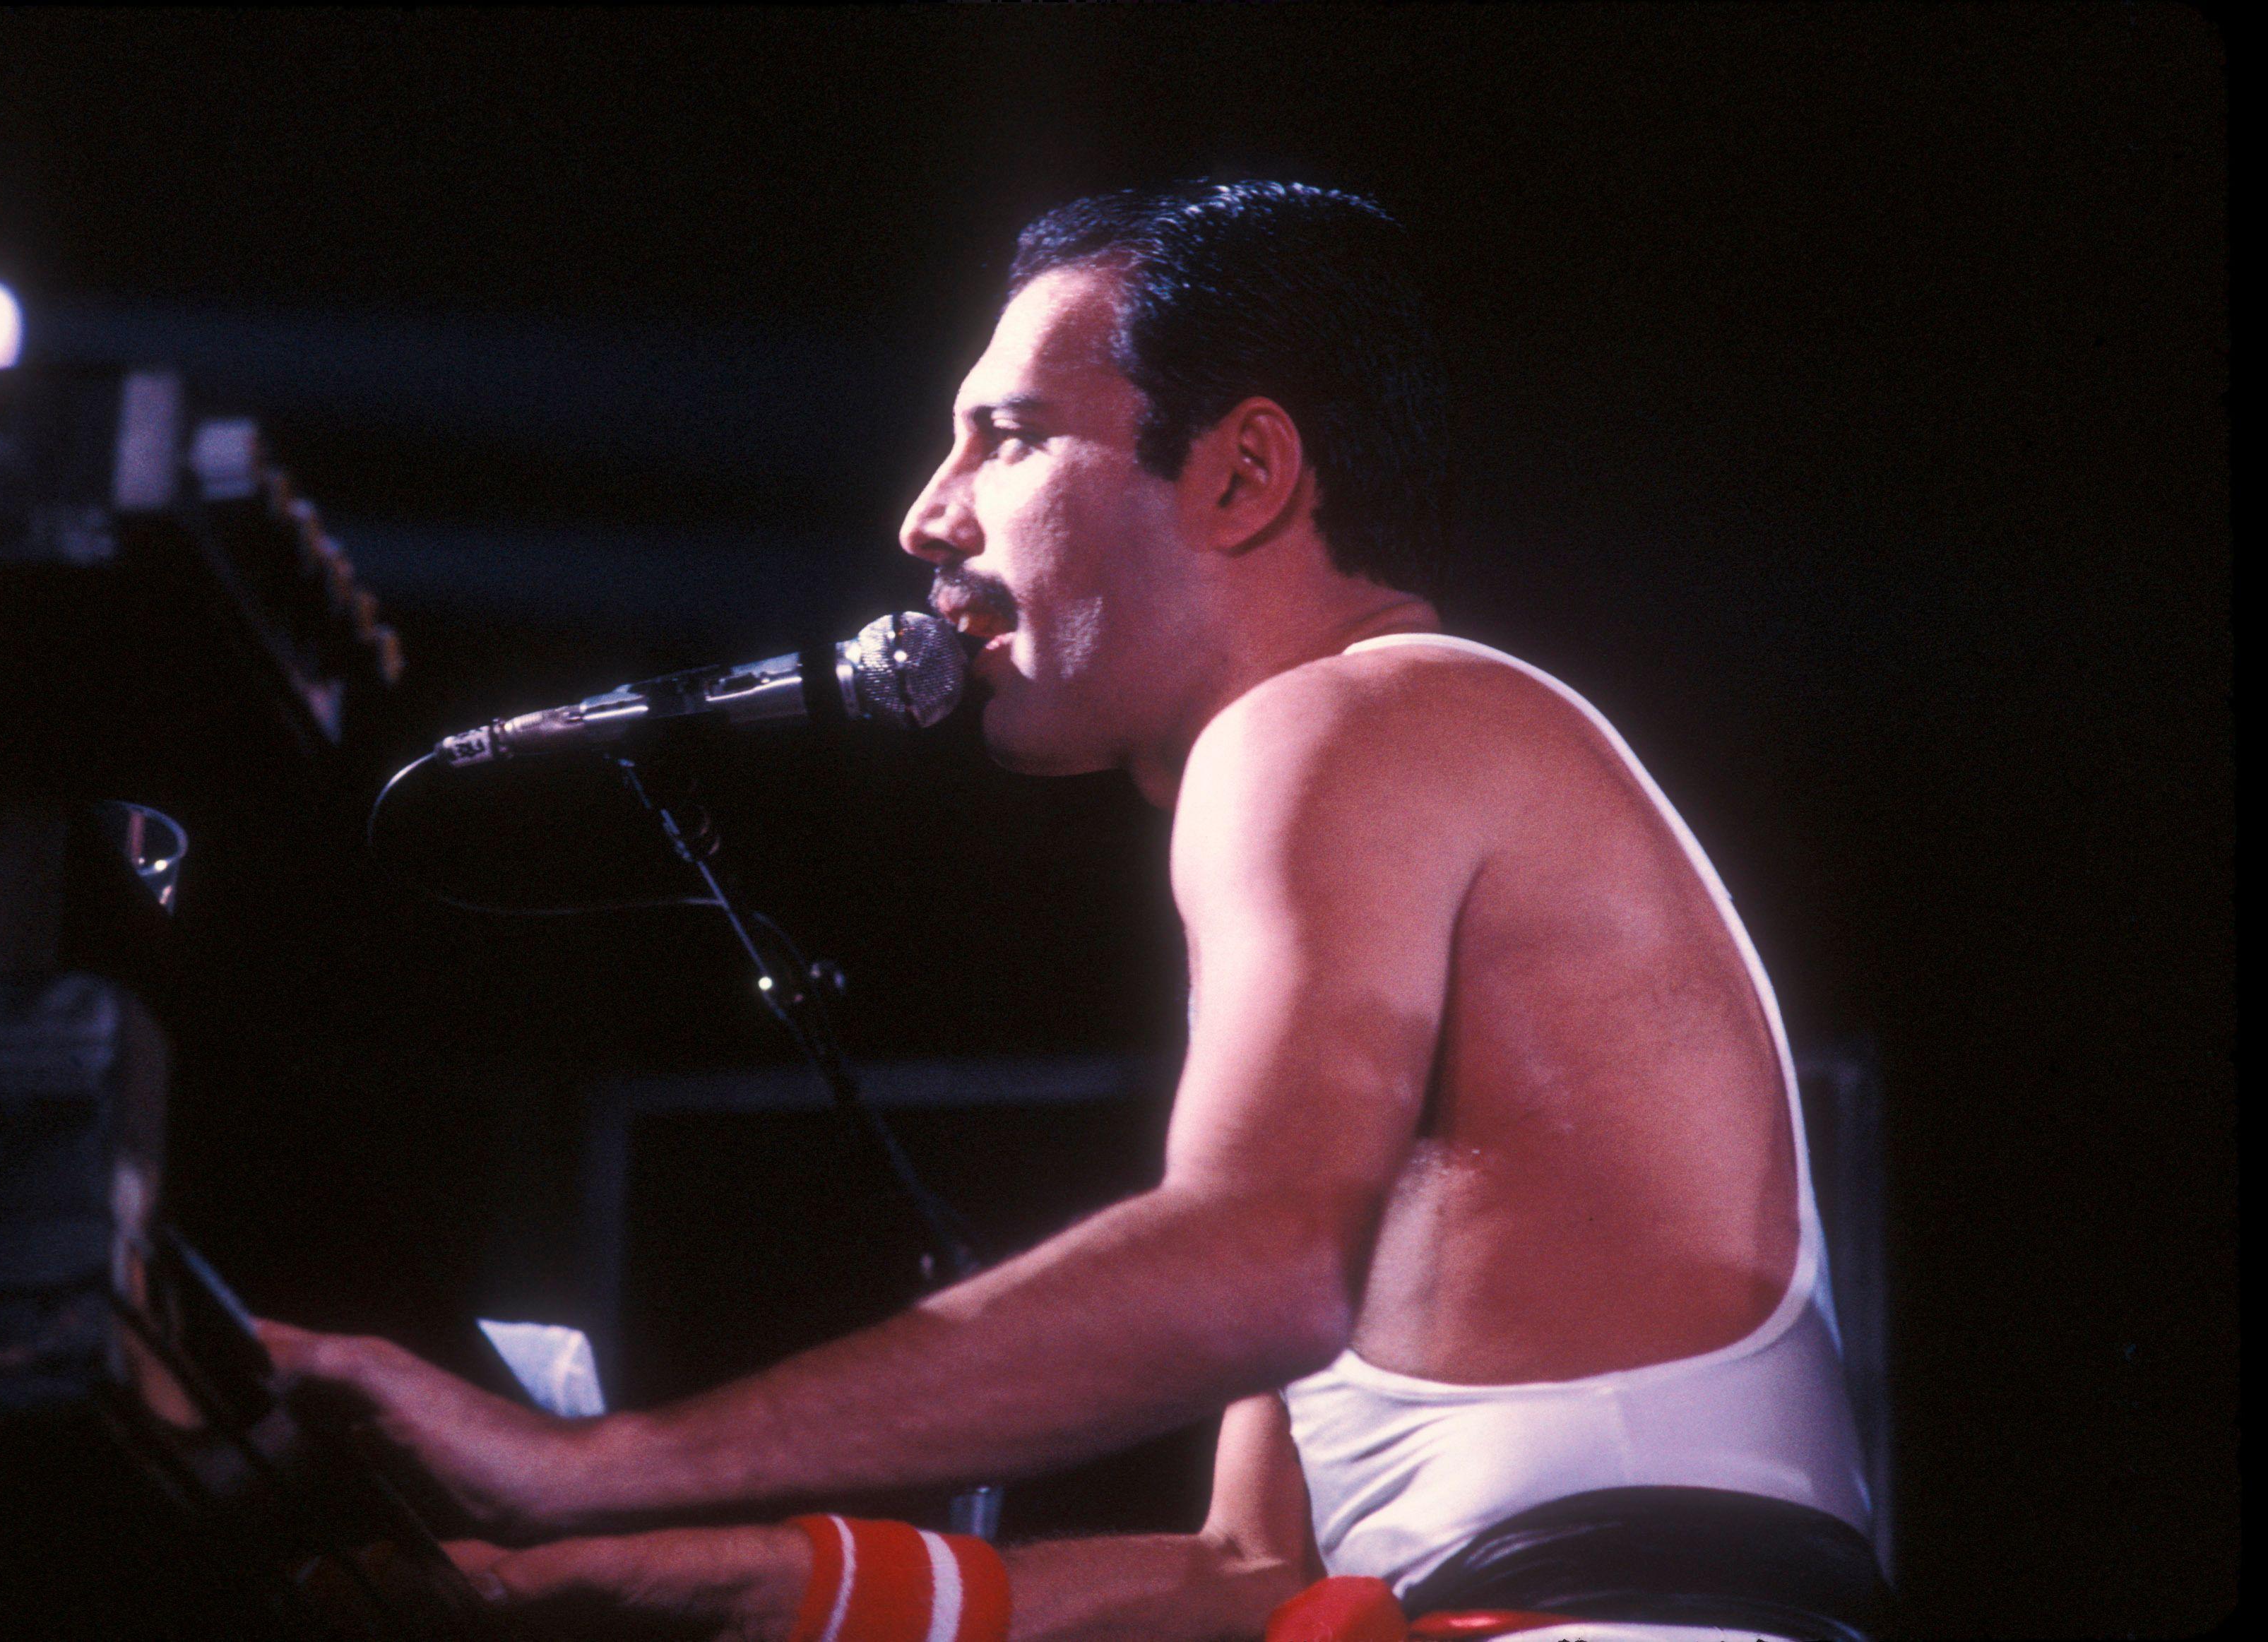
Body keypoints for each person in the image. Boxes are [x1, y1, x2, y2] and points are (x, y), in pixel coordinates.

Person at [259, 181, 1882, 1641]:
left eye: (1008, 434)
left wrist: (584, 1469)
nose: (926, 512)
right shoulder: (1407, 759)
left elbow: (1249, 1269)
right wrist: (670, 1568)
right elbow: (1243, 1572)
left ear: (1243, 471)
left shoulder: (1341, 722)